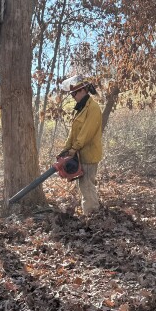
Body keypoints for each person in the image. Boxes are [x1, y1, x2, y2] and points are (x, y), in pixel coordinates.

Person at [58, 74, 103, 214]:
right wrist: (66, 150)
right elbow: (74, 133)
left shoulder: (93, 108)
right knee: (84, 186)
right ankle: (90, 213)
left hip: (89, 154)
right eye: (71, 94)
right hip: (81, 154)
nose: (73, 97)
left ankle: (93, 215)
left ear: (83, 90)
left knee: (87, 186)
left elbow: (86, 133)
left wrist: (74, 149)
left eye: (74, 93)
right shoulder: (81, 108)